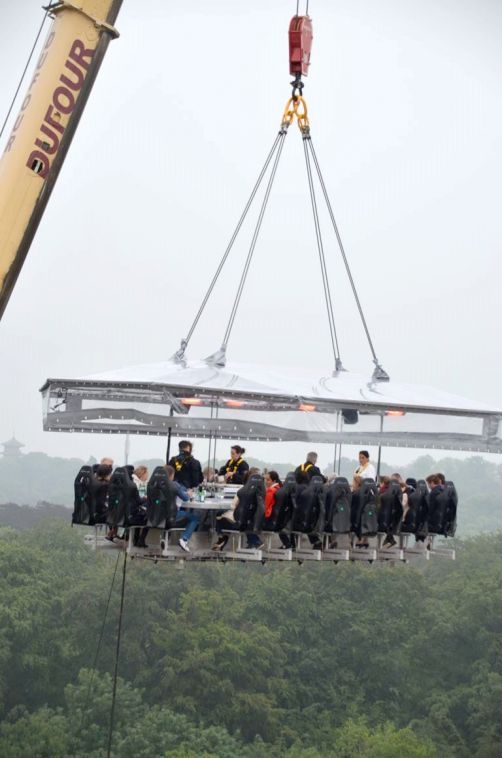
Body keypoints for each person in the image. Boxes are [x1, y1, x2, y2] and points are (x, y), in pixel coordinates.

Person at [212, 467, 261, 550]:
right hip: (254, 521)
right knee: (223, 515)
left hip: (241, 522)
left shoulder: (242, 490)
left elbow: (233, 506)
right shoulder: (261, 491)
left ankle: (222, 538)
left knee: (220, 515)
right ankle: (254, 540)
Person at [165, 464, 202, 553]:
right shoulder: (174, 485)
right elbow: (185, 498)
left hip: (159, 516)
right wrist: (188, 494)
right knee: (195, 518)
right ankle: (184, 539)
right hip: (173, 515)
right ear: (172, 475)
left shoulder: (156, 483)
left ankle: (164, 539)